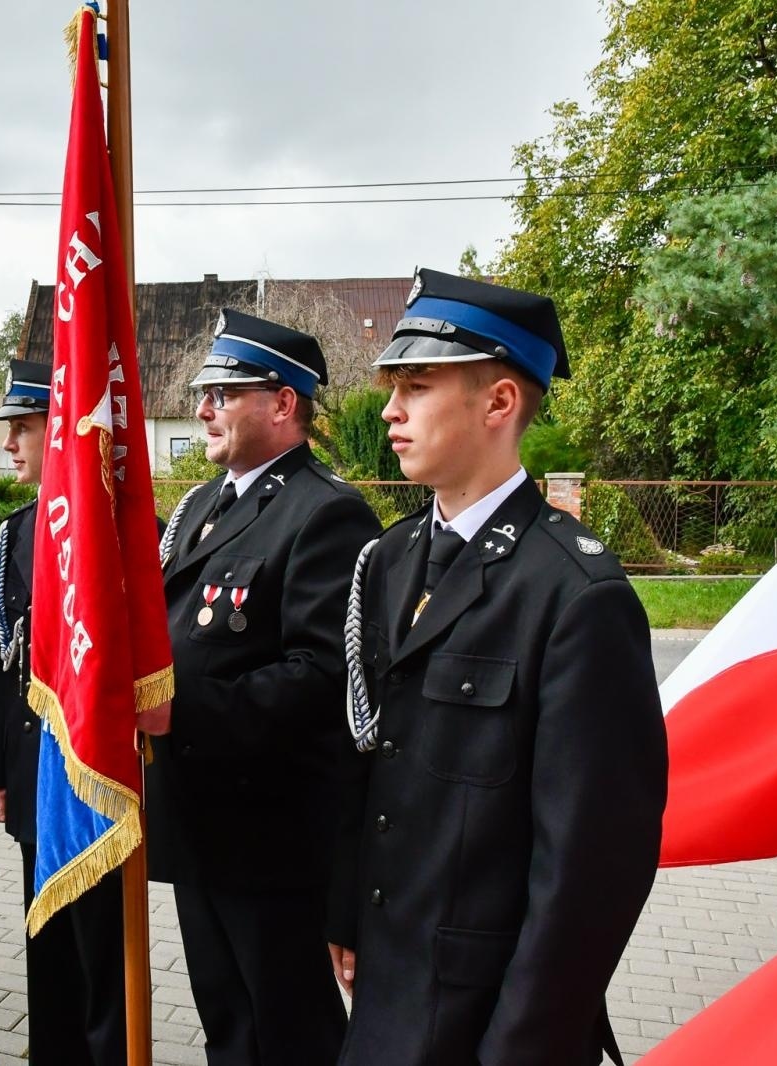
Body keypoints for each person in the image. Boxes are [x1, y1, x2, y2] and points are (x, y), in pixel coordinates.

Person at [329, 268, 667, 1066]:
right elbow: (373, 761)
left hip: (491, 1015)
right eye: (393, 388)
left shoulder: (576, 594)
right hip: (385, 989)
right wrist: (347, 912)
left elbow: (591, 870)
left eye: (416, 387)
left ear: (499, 403)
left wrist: (524, 1044)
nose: (390, 410)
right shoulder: (391, 558)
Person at [140, 310, 381, 1066]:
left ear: (282, 403)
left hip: (270, 836)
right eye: (204, 394)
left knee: (289, 1032)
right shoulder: (203, 505)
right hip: (200, 816)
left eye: (223, 393)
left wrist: (180, 708)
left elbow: (322, 677)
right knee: (228, 1023)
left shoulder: (326, 511)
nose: (203, 409)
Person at [0, 360, 126, 1064]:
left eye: (25, 427)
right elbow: (0, 660)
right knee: (44, 931)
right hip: (32, 766)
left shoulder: (121, 526)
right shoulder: (16, 531)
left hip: (93, 774)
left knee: (103, 947)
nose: (10, 443)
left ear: (63, 429)